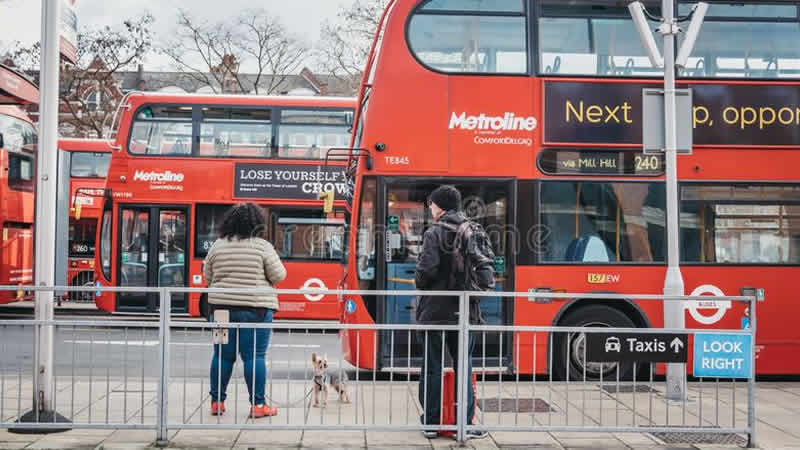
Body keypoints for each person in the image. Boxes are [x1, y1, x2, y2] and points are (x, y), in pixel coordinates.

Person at [415, 185, 487, 440]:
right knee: (464, 366)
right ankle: (465, 422)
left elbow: (426, 272)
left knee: (433, 366)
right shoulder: (474, 230)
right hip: (466, 310)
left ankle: (431, 423)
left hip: (435, 310)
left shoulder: (434, 233)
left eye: (431, 204)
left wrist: (419, 279)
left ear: (440, 205)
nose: (430, 208)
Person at [203, 202, 286, 418]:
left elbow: (207, 275)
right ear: (256, 222)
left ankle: (217, 402)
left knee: (221, 355)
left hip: (221, 310)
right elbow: (279, 276)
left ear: (229, 221)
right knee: (254, 356)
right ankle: (258, 406)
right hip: (255, 310)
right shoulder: (262, 246)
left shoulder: (217, 245)